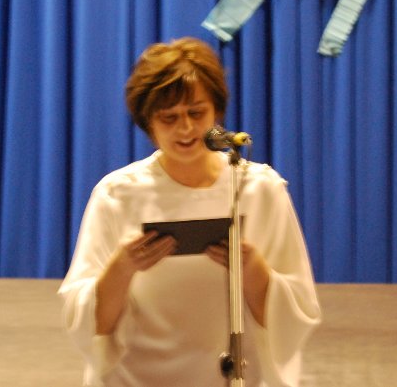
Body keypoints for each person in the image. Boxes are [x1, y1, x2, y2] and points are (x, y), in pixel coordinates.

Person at [59, 37, 321, 386]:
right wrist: (122, 267)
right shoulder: (118, 194)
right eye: (169, 118)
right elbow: (88, 323)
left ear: (217, 113)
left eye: (196, 113)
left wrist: (253, 270)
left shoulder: (260, 189)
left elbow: (297, 314)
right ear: (148, 122)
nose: (185, 128)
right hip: (136, 378)